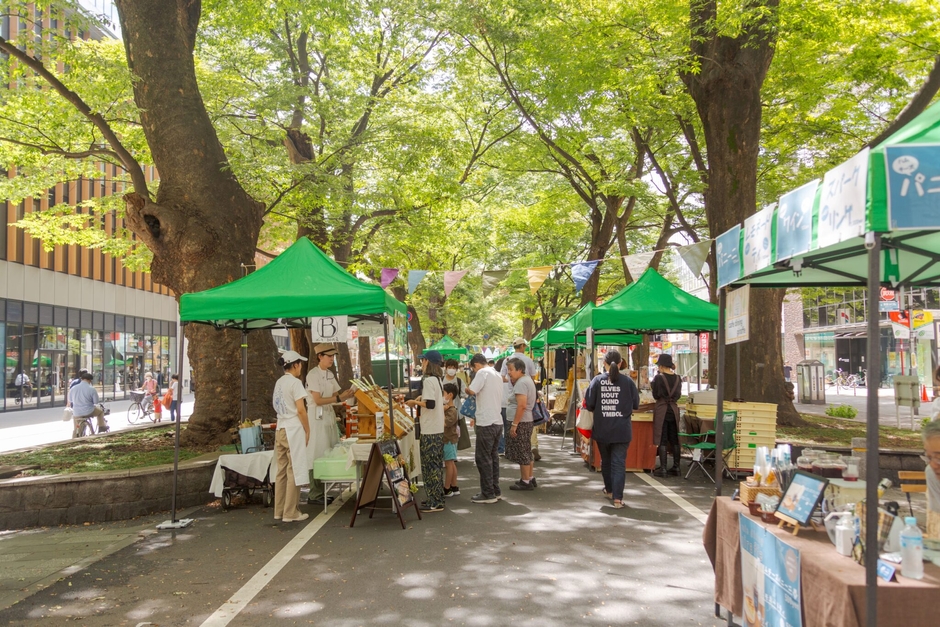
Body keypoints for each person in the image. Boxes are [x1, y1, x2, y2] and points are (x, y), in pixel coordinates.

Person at [584, 350, 639, 508]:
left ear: (604, 363)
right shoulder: (628, 382)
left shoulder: (597, 380)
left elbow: (589, 403)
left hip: (603, 428)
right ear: (621, 363)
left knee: (606, 462)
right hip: (622, 430)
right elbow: (636, 404)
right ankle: (617, 498)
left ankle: (609, 489)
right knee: (618, 463)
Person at [306, 343, 356, 506]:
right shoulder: (312, 375)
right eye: (329, 356)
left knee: (328, 450)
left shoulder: (329, 374)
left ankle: (323, 489)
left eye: (333, 356)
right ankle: (314, 492)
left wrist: (347, 395)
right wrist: (338, 398)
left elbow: (336, 394)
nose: (331, 359)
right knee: (316, 452)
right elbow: (317, 399)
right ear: (320, 356)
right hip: (316, 417)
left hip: (328, 416)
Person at [273, 350, 311, 523]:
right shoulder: (295, 384)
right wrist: (308, 429)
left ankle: (279, 511)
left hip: (280, 428)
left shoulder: (279, 382)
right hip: (293, 429)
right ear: (295, 365)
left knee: (281, 471)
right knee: (294, 470)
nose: (301, 366)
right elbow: (301, 409)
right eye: (300, 364)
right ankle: (291, 512)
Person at [406, 350, 446, 512]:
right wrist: (420, 399)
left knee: (430, 466)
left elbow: (430, 404)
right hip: (436, 428)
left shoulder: (429, 380)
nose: (421, 364)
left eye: (423, 361)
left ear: (428, 362)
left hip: (429, 429)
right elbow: (433, 400)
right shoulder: (437, 380)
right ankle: (435, 497)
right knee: (435, 464)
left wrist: (413, 403)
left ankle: (435, 501)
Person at [466, 353, 505, 503]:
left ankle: (488, 493)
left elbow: (472, 390)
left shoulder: (482, 373)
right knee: (493, 457)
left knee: (483, 458)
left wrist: (466, 389)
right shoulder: (496, 373)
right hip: (497, 420)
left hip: (486, 421)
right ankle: (495, 490)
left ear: (476, 365)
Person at [506, 357, 538, 491]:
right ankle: (529, 477)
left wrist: (514, 424)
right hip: (525, 420)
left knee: (522, 450)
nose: (508, 372)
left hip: (522, 421)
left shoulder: (521, 383)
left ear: (520, 370)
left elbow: (522, 405)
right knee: (526, 449)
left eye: (511, 370)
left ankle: (525, 481)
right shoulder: (526, 380)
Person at [651, 354, 682, 477]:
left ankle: (663, 468)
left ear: (662, 366)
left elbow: (656, 395)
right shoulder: (678, 378)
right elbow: (678, 395)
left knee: (662, 438)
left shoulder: (659, 378)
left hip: (662, 409)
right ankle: (677, 467)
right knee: (674, 438)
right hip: (674, 410)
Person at [71, 371, 108, 437]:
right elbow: (96, 402)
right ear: (90, 380)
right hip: (88, 411)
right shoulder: (91, 389)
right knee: (100, 412)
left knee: (76, 427)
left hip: (76, 412)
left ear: (81, 379)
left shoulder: (73, 388)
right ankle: (101, 426)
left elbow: (70, 400)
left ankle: (74, 438)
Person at [442, 383, 461, 497]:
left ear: (450, 395)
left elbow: (445, 423)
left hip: (449, 439)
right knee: (451, 463)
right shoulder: (450, 409)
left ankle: (447, 488)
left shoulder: (452, 410)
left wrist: (442, 410)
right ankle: (454, 486)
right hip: (450, 439)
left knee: (449, 463)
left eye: (443, 393)